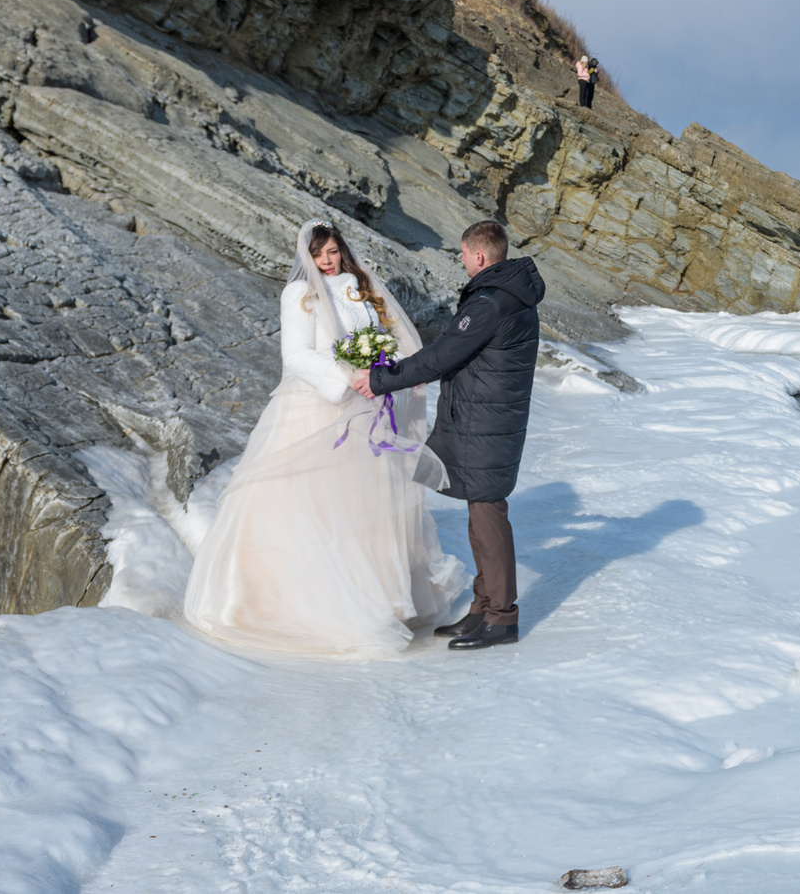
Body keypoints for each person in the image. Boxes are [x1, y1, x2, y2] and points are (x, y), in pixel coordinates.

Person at [182, 221, 464, 659]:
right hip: (318, 406)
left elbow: (384, 337)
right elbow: (295, 356)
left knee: (365, 505)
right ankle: (316, 604)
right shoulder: (299, 294)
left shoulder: (361, 287)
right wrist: (344, 378)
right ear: (307, 258)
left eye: (333, 251)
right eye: (319, 254)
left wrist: (385, 368)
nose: (327, 261)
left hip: (369, 404)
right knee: (313, 505)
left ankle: (382, 600)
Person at [355, 218, 543, 649]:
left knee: (488, 516)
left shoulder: (491, 302)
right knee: (481, 516)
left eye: (462, 254)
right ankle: (483, 609)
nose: (461, 261)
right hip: (489, 418)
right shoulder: (508, 294)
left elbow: (442, 354)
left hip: (487, 423)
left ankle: (502, 619)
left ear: (478, 256)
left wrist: (382, 379)